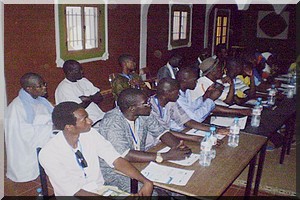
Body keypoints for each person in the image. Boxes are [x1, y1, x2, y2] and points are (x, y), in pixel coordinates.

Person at [39, 102, 153, 196]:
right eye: (85, 119)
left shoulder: (90, 134)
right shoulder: (49, 154)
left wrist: (145, 181)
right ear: (69, 127)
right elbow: (74, 191)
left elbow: (116, 159)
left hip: (100, 190)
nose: (90, 121)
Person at [98, 88, 192, 193]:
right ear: (132, 108)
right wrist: (165, 156)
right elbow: (125, 154)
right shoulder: (113, 121)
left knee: (178, 186)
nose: (150, 104)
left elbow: (161, 132)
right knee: (155, 193)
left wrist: (178, 146)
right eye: (146, 103)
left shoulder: (144, 114)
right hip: (116, 172)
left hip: (140, 164)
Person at [146, 77, 229, 148]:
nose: (178, 94)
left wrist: (214, 130)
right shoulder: (149, 108)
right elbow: (164, 132)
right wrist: (198, 138)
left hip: (164, 142)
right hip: (150, 146)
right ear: (167, 93)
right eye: (176, 91)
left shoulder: (171, 103)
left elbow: (187, 121)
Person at [5, 72, 54, 182]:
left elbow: (43, 116)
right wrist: (50, 127)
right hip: (24, 146)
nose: (44, 88)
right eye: (40, 86)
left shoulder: (39, 99)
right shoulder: (17, 108)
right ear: (29, 89)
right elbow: (25, 134)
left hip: (40, 132)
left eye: (44, 84)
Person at [176, 67, 252, 124]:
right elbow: (195, 118)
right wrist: (211, 99)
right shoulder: (177, 97)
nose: (196, 81)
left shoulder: (187, 91)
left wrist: (206, 96)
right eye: (194, 80)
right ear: (184, 81)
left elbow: (196, 106)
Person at [55, 60, 105, 126]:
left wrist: (88, 99)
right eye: (78, 70)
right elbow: (78, 108)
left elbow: (100, 97)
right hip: (88, 123)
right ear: (69, 72)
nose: (82, 71)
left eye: (81, 69)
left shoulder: (83, 81)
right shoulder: (64, 88)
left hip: (101, 117)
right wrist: (92, 98)